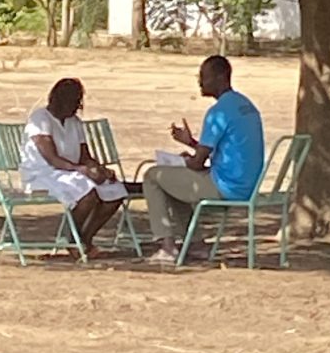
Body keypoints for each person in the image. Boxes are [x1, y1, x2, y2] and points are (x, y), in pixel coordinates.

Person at [143, 55, 264, 264]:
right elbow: (219, 149)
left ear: (220, 77)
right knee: (173, 182)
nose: (200, 82)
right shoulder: (245, 105)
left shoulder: (218, 112)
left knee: (153, 176)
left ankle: (167, 246)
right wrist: (191, 143)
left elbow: (197, 163)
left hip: (226, 186)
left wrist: (181, 162)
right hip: (248, 184)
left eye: (204, 76)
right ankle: (196, 244)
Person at [20, 78, 126, 259]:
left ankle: (85, 238)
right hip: (44, 174)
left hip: (71, 172)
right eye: (73, 102)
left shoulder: (74, 122)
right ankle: (71, 237)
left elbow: (85, 155)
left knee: (115, 190)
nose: (76, 107)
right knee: (88, 192)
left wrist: (99, 170)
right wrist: (81, 169)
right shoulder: (40, 118)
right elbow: (52, 159)